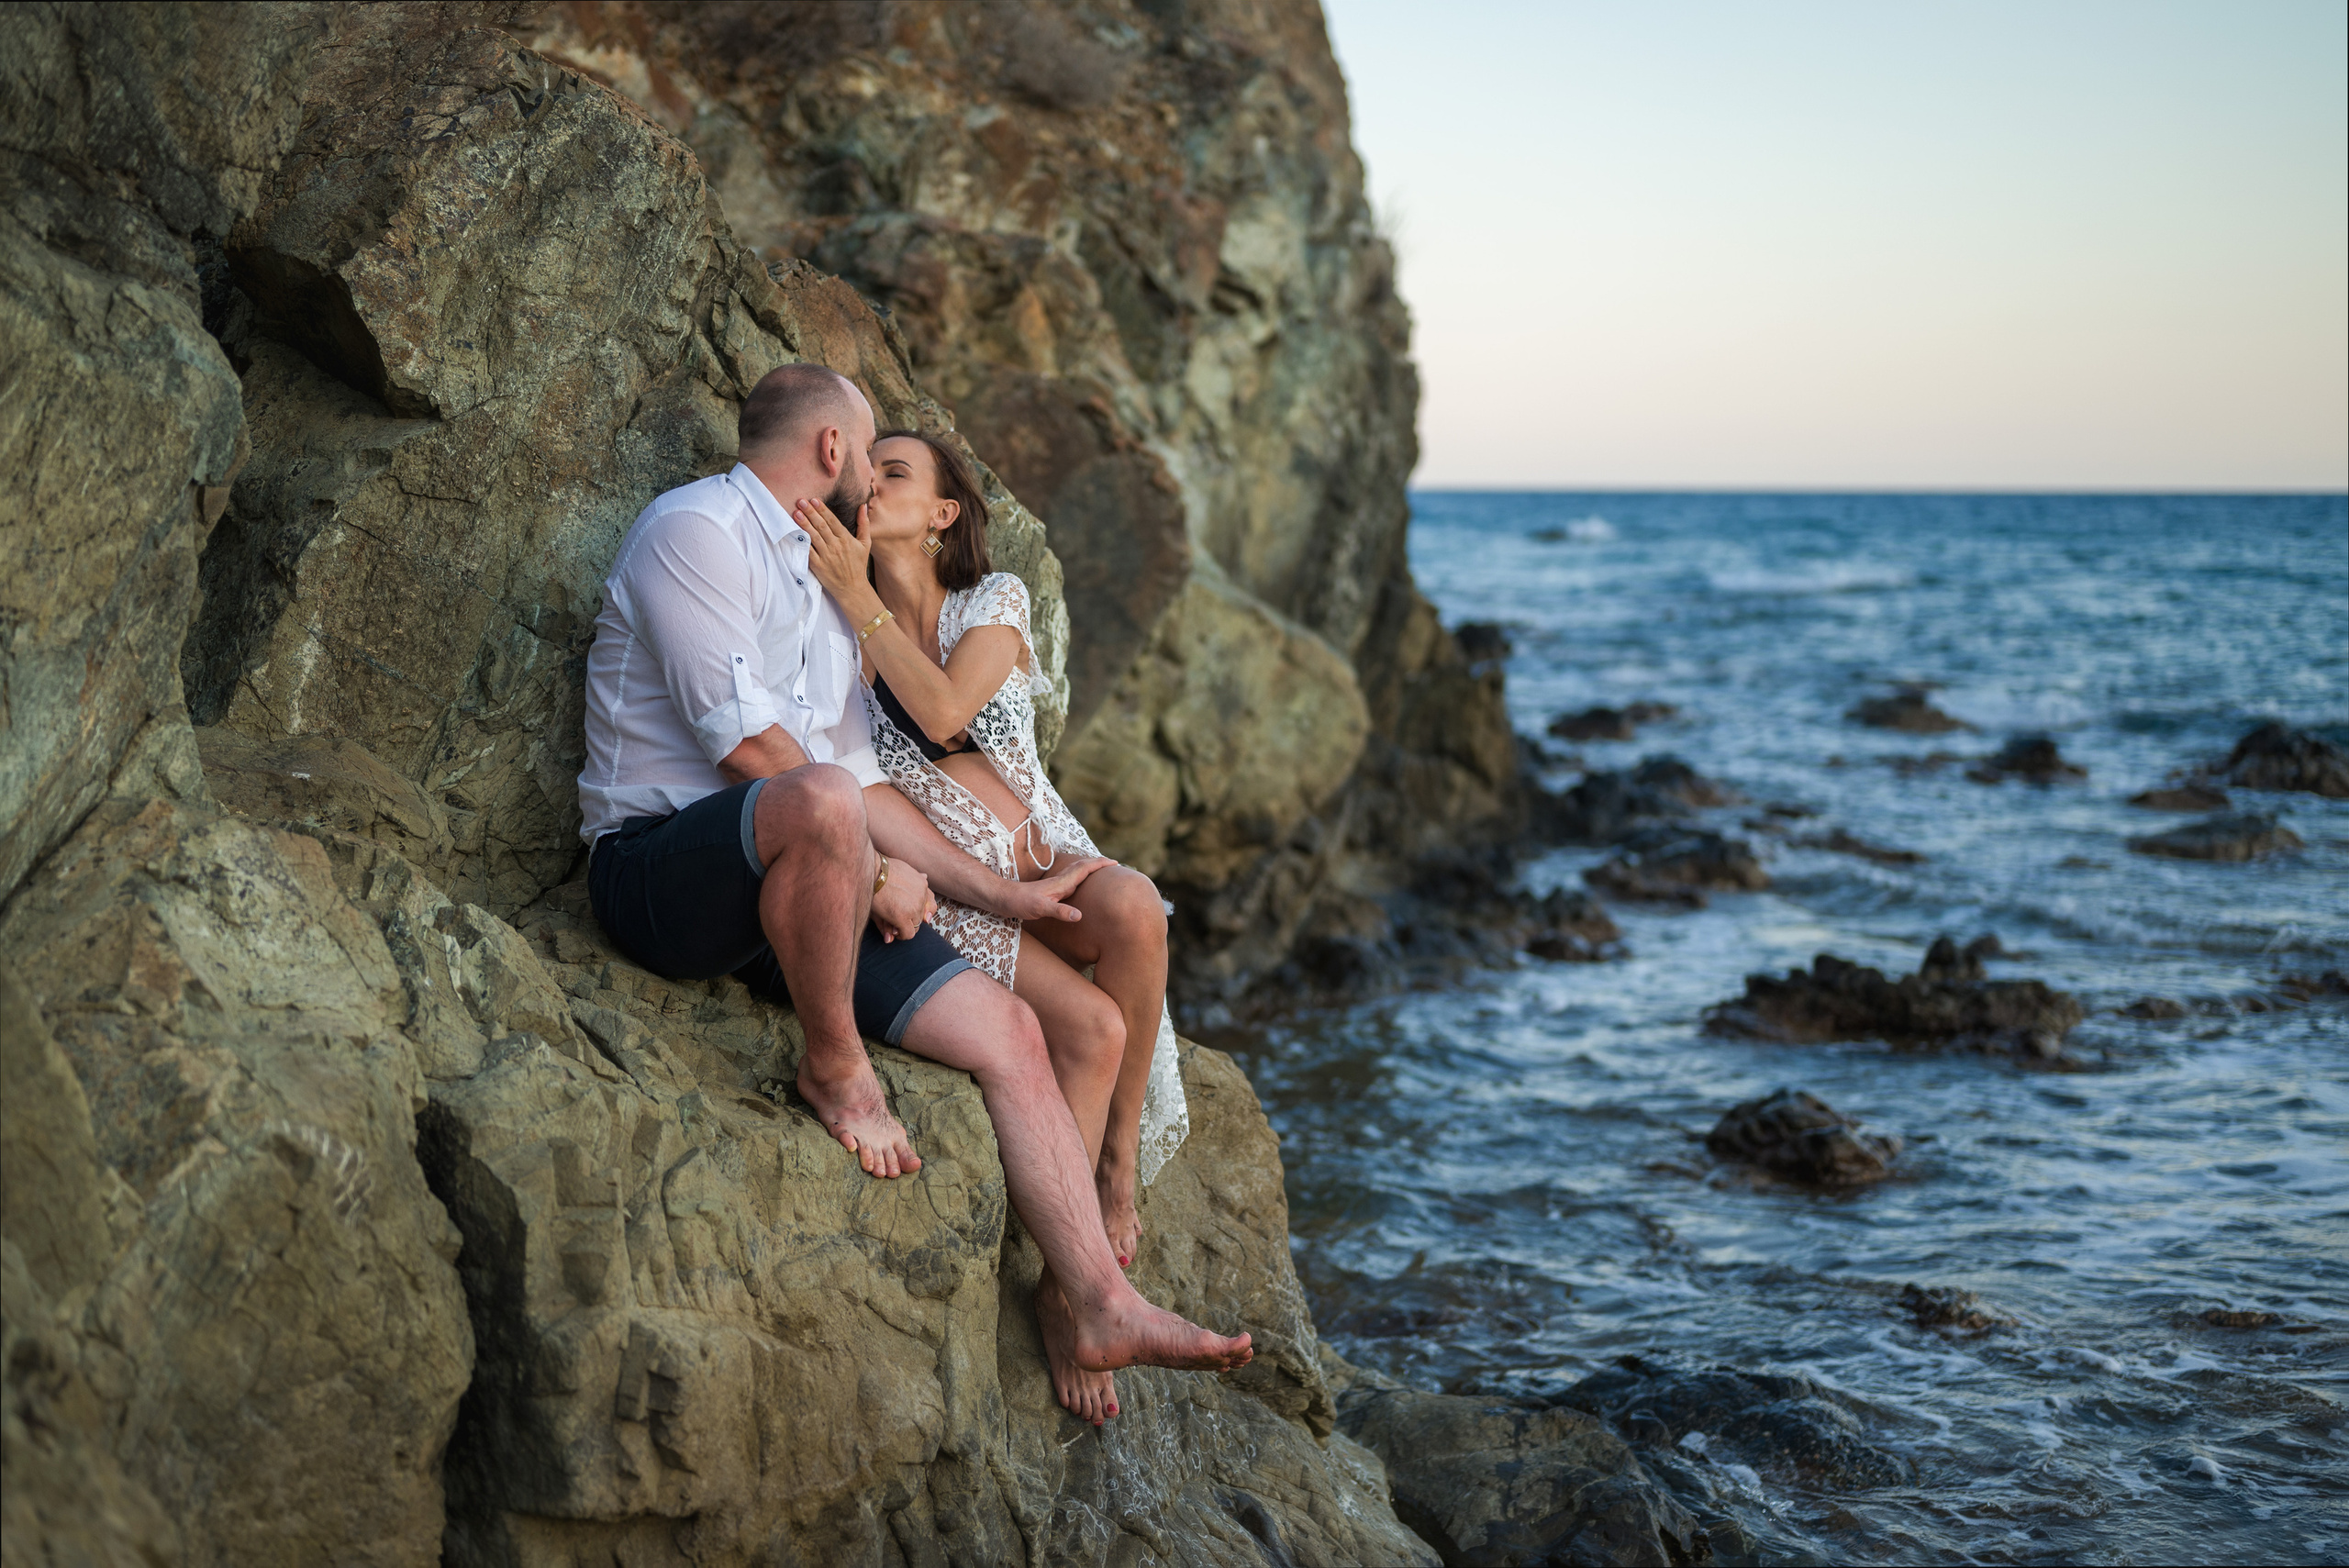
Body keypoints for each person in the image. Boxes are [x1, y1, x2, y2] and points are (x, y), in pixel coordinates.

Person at [574, 362, 1249, 1419]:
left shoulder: (829, 591)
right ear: (832, 451)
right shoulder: (696, 529)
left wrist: (996, 893)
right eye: (871, 448)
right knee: (820, 802)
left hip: (808, 882)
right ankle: (836, 1066)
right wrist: (878, 864)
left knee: (1013, 1033)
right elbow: (748, 747)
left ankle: (1097, 1297)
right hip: (660, 871)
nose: (874, 469)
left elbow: (867, 782)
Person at [796, 429, 1190, 1425]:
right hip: (962, 891)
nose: (870, 479)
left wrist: (858, 596)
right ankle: (1070, 1290)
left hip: (1046, 849)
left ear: (943, 514)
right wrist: (849, 598)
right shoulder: (835, 627)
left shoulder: (992, 602)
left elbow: (941, 712)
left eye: (895, 471)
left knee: (1136, 905)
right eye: (866, 466)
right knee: (1093, 1027)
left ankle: (1115, 1166)